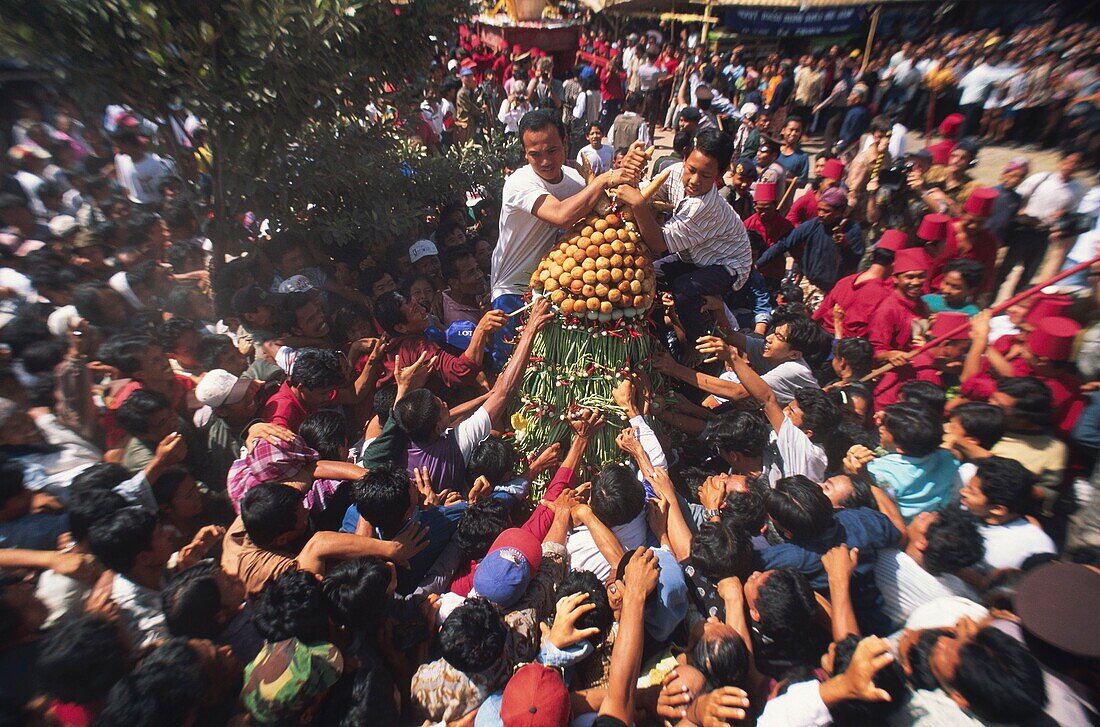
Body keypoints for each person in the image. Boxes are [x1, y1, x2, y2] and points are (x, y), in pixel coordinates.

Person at [488, 109, 644, 369]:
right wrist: (605, 178)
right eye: (535, 154)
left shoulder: (574, 180)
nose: (545, 161)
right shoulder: (519, 182)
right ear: (525, 154)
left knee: (545, 370)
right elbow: (561, 215)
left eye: (552, 150)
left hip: (554, 288)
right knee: (508, 368)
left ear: (565, 143)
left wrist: (630, 177)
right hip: (513, 290)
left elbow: (607, 212)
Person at [614, 130, 752, 343]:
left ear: (720, 174)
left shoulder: (704, 207)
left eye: (706, 176)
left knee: (684, 289)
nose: (695, 180)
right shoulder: (674, 173)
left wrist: (639, 204)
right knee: (651, 274)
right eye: (692, 170)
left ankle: (698, 341)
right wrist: (629, 173)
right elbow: (645, 193)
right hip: (695, 255)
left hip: (727, 263)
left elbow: (658, 243)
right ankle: (654, 334)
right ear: (685, 158)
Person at [959, 456, 1056, 570]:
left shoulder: (1035, 549)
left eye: (972, 492)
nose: (962, 491)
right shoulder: (971, 507)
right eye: (967, 486)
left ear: (998, 509)